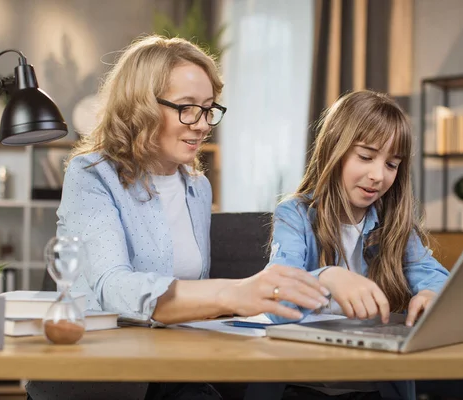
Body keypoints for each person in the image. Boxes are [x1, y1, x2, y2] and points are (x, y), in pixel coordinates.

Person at [26, 34, 329, 400]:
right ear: (141, 106)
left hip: (171, 369)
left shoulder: (196, 188)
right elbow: (113, 288)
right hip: (103, 380)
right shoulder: (91, 175)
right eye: (187, 108)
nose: (202, 124)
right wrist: (232, 293)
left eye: (208, 108)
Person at [265, 90, 450, 400]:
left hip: (375, 388)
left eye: (392, 165)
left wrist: (433, 294)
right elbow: (276, 300)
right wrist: (325, 277)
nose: (377, 175)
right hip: (302, 387)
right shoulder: (294, 215)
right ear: (334, 149)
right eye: (365, 157)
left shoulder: (396, 225)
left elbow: (439, 280)